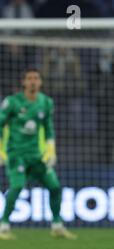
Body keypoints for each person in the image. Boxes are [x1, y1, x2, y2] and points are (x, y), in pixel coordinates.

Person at [0, 68, 77, 240]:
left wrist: (51, 152)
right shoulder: (12, 102)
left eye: (36, 78)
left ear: (40, 82)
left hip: (36, 156)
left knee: (55, 187)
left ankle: (57, 226)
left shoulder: (46, 102)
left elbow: (49, 129)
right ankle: (3, 226)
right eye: (29, 78)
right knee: (17, 186)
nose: (33, 81)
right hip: (16, 154)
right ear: (24, 82)